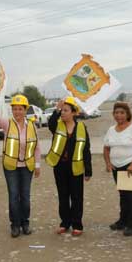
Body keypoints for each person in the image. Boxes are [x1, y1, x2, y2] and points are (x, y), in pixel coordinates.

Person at [0, 89, 41, 238]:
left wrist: (37, 166)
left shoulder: (32, 126)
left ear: (25, 110)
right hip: (11, 166)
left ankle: (25, 223)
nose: (17, 112)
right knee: (13, 196)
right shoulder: (7, 124)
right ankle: (15, 225)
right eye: (14, 109)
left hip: (27, 167)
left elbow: (37, 147)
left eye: (20, 109)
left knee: (25, 196)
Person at [46, 97, 92, 236]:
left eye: (66, 110)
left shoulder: (82, 128)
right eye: (62, 110)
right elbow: (50, 124)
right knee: (63, 196)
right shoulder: (57, 125)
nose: (63, 113)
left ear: (74, 113)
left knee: (77, 197)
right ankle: (65, 223)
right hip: (60, 167)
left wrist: (88, 170)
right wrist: (56, 109)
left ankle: (77, 224)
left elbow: (86, 150)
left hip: (76, 168)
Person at [103, 102, 132, 236]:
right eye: (116, 113)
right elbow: (106, 148)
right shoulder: (111, 130)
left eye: (122, 112)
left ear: (127, 114)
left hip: (131, 166)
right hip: (117, 167)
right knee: (123, 195)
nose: (119, 115)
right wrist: (108, 163)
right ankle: (123, 221)